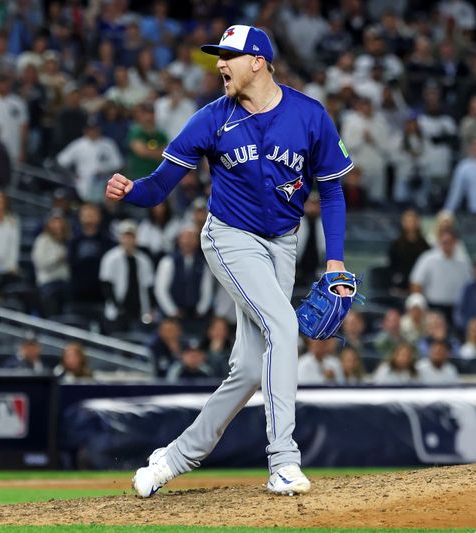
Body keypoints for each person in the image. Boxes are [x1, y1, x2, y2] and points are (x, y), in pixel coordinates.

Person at [106, 26, 354, 496]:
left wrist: (335, 259)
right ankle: (283, 460)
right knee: (283, 327)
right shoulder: (211, 118)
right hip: (228, 237)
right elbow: (160, 185)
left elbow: (333, 189)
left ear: (257, 61)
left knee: (246, 370)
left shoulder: (309, 115)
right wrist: (131, 191)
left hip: (283, 243)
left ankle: (173, 457)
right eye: (218, 56)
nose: (219, 63)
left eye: (228, 56)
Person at [98, 219, 155, 331]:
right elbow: (106, 284)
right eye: (125, 236)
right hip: (118, 310)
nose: (128, 240)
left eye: (131, 237)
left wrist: (151, 309)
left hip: (139, 308)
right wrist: (116, 306)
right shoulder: (110, 258)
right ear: (120, 238)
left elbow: (149, 286)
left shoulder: (144, 260)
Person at [409, 227, 472, 323]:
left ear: (455, 242)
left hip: (456, 308)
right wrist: (421, 306)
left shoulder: (464, 262)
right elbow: (416, 283)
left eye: (449, 242)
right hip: (433, 307)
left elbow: (469, 284)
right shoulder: (427, 259)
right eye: (444, 242)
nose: (446, 245)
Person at [154, 225, 215, 322]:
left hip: (195, 313)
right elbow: (160, 290)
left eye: (193, 237)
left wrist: (200, 310)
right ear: (179, 239)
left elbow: (207, 290)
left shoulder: (203, 264)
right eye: (186, 236)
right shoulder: (168, 261)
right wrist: (172, 311)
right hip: (172, 314)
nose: (189, 240)